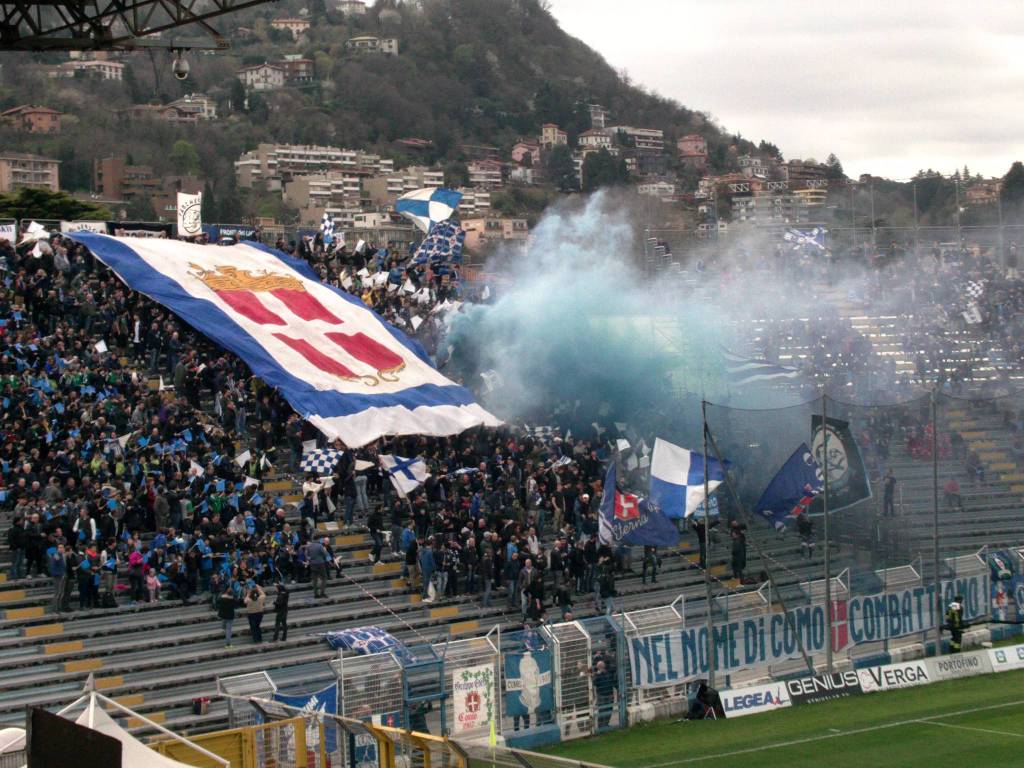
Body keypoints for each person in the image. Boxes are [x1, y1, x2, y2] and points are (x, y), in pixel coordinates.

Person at [593, 660, 616, 729]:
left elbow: (612, 680)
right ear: (597, 667)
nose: (601, 667)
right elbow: (594, 683)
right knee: (602, 710)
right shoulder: (597, 674)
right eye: (599, 666)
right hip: (601, 695)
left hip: (609, 694)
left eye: (602, 666)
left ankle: (606, 724)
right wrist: (598, 674)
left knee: (609, 709)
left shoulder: (608, 672)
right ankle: (600, 726)